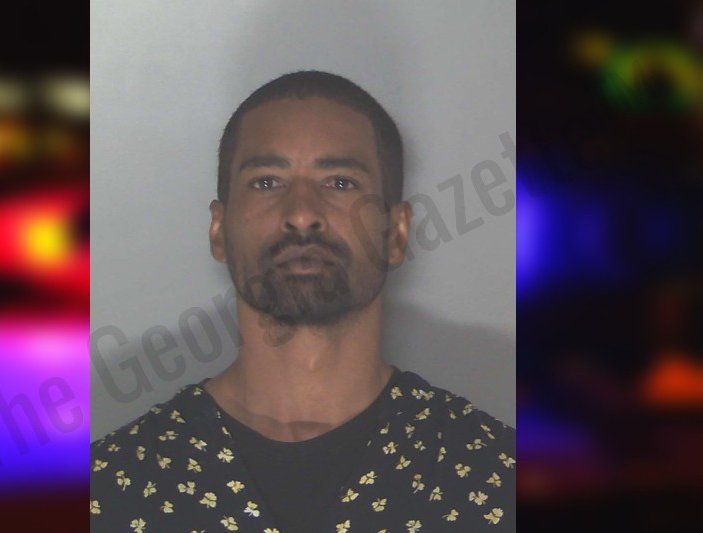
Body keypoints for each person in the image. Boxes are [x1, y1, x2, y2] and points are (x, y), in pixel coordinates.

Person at [90, 70, 515, 533]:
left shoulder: (494, 477)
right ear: (219, 230)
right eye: (266, 182)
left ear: (396, 233)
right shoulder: (111, 489)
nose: (301, 214)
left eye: (340, 183)